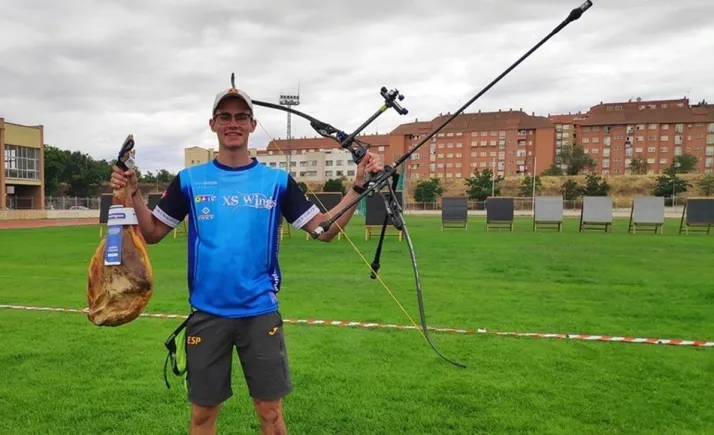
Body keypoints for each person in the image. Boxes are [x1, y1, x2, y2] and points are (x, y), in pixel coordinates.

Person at [109, 83, 384, 435]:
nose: (233, 123)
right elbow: (151, 232)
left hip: (259, 313)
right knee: (202, 415)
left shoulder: (277, 181)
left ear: (253, 125)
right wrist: (133, 192)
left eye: (242, 117)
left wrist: (358, 184)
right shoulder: (190, 180)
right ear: (213, 124)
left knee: (271, 414)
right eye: (225, 116)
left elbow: (324, 230)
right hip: (208, 314)